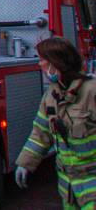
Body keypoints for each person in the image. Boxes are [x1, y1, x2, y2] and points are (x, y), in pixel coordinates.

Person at [15, 36, 96, 208]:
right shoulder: (51, 97)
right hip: (69, 188)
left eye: (42, 60)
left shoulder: (91, 91)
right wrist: (25, 164)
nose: (39, 65)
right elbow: (40, 134)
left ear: (55, 63)